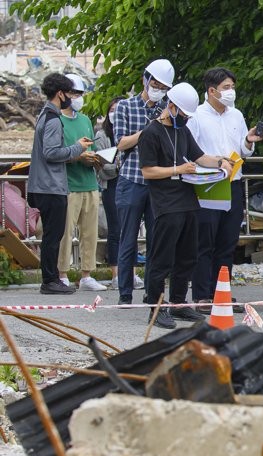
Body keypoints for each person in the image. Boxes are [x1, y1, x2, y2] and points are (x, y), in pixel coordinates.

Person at [137, 83, 234, 329]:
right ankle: (155, 306)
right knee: (162, 258)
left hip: (188, 200)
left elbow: (200, 157)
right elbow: (148, 171)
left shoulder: (183, 131)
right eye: (182, 114)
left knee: (188, 255)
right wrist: (177, 169)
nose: (185, 119)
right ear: (171, 107)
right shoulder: (151, 132)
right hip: (165, 203)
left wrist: (221, 161)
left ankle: (179, 302)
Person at [187, 67, 263, 311]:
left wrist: (249, 141)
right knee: (204, 241)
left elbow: (242, 149)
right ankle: (201, 296)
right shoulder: (196, 116)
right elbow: (192, 151)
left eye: (232, 87)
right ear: (211, 91)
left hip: (233, 183)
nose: (231, 92)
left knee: (228, 242)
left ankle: (222, 293)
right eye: (225, 88)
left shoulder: (236, 115)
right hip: (208, 184)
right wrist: (215, 161)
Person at [112, 58, 175, 305]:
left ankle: (153, 293)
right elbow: (121, 143)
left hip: (158, 182)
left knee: (156, 240)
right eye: (156, 84)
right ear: (145, 80)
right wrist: (150, 128)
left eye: (164, 87)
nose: (159, 90)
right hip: (131, 180)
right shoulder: (125, 107)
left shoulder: (167, 108)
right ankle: (124, 294)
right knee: (127, 238)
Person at [27, 73, 92, 295]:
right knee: (53, 237)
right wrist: (77, 148)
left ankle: (51, 278)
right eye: (69, 93)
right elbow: (51, 152)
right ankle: (50, 280)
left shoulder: (44, 115)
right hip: (51, 186)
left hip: (41, 185)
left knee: (51, 236)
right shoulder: (54, 119)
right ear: (60, 93)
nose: (71, 98)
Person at [57, 74, 106, 291]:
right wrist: (78, 156)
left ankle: (86, 274)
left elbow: (91, 148)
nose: (77, 98)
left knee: (90, 233)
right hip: (69, 185)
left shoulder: (86, 120)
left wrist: (95, 158)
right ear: (64, 94)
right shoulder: (56, 120)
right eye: (74, 93)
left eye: (80, 94)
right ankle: (62, 274)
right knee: (65, 234)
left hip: (90, 184)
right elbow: (57, 153)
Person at [94, 97, 125, 286]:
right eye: (112, 109)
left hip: (130, 184)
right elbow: (102, 167)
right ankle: (116, 273)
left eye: (119, 109)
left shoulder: (132, 131)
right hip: (111, 185)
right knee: (115, 229)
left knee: (130, 230)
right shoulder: (102, 135)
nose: (115, 113)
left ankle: (129, 271)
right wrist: (118, 167)